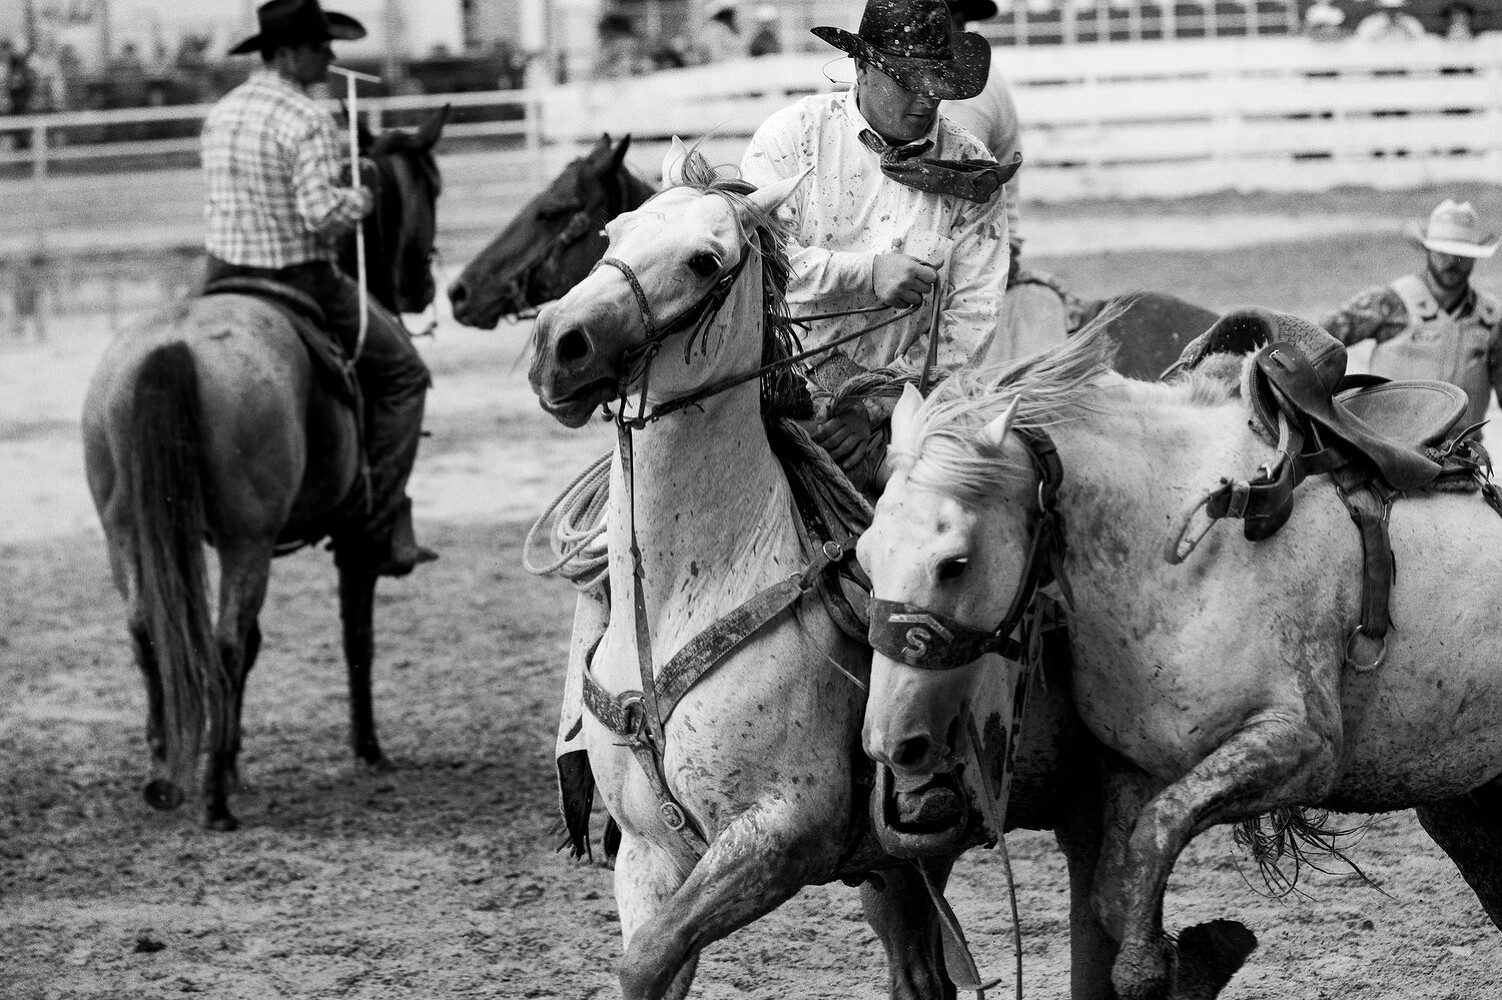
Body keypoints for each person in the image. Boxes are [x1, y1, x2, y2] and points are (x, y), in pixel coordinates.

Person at [202, 0, 436, 576]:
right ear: (287, 54)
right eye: (318, 46)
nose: (331, 56)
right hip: (298, 275)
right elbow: (321, 217)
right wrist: (360, 195)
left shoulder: (221, 112)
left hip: (223, 274)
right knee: (407, 375)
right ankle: (377, 517)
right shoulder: (307, 119)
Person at [741, 0, 1012, 483]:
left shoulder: (970, 165)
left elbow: (972, 313)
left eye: (938, 81)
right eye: (909, 81)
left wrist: (875, 403)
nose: (927, 99)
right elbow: (762, 265)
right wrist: (868, 273)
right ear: (862, 67)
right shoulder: (792, 139)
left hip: (909, 400)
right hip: (786, 378)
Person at [1319, 199, 1502, 432]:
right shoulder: (1391, 302)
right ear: (1428, 250)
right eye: (1443, 252)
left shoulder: (1492, 319)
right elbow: (1319, 341)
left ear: (1475, 257)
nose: (1452, 262)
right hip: (1387, 448)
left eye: (1462, 254)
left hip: (1461, 454)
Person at [938, 0, 1023, 282]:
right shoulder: (963, 79)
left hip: (978, 250)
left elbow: (948, 199)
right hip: (981, 237)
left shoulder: (968, 94)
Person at [1355, 0, 1427, 41]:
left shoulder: (1410, 22)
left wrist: (1403, 27)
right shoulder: (1370, 23)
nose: (1392, 12)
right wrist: (1382, 28)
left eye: (1395, 9)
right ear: (1382, 8)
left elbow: (1420, 41)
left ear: (1400, 8)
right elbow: (1361, 42)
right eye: (1388, 9)